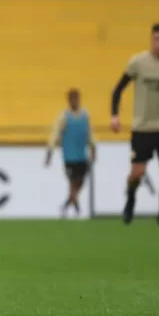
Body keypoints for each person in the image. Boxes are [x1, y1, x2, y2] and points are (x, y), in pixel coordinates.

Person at [110, 23, 159, 224]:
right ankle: (130, 199)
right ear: (151, 40)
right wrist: (114, 115)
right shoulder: (138, 63)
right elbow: (117, 90)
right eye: (157, 39)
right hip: (142, 128)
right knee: (138, 173)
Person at [45, 88, 96, 218]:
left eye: (76, 98)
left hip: (81, 156)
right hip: (69, 157)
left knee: (80, 182)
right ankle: (77, 209)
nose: (74, 101)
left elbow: (89, 133)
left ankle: (67, 205)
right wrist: (49, 152)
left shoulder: (85, 115)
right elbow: (55, 133)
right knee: (73, 182)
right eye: (72, 99)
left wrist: (93, 149)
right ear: (69, 101)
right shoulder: (64, 117)